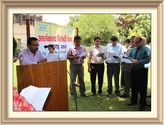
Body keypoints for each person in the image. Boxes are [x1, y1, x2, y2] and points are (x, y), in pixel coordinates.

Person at [127, 36, 150, 111]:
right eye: (134, 42)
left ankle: (142, 104)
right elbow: (129, 57)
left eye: (136, 42)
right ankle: (134, 101)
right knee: (134, 86)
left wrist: (138, 61)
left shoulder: (146, 49)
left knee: (142, 88)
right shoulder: (133, 49)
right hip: (133, 70)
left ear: (141, 42)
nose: (135, 44)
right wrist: (132, 60)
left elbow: (147, 59)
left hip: (141, 71)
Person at [67, 35, 88, 99]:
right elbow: (68, 57)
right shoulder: (71, 48)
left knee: (81, 79)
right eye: (77, 42)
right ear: (74, 41)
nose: (78, 43)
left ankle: (82, 92)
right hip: (73, 66)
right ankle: (73, 94)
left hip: (80, 65)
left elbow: (85, 55)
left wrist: (84, 56)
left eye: (79, 41)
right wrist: (74, 57)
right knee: (72, 80)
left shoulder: (83, 48)